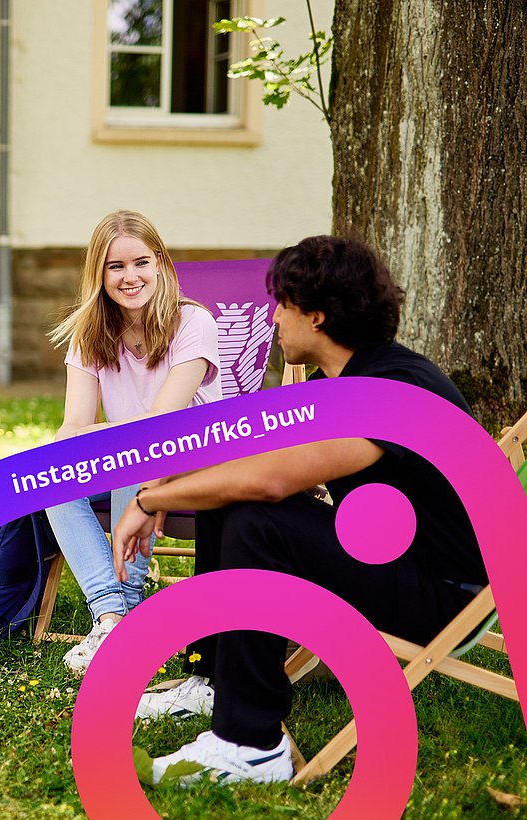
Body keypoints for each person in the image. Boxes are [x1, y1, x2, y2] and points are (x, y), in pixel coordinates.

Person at [113, 235, 486, 786]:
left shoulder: (388, 389)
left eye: (282, 304)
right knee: (227, 495)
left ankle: (251, 743)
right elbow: (242, 446)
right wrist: (160, 477)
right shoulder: (342, 379)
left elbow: (269, 479)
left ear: (316, 316)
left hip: (442, 596)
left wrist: (149, 500)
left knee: (256, 516)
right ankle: (215, 680)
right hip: (399, 562)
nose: (273, 318)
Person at [46, 210, 221, 676]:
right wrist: (60, 457)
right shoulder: (89, 333)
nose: (130, 277)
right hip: (131, 456)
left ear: (160, 262)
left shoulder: (192, 322)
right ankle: (111, 616)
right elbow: (73, 427)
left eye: (140, 262)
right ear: (98, 274)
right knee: (53, 476)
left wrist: (100, 442)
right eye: (115, 267)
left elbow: (163, 423)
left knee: (135, 453)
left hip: (195, 461)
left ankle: (120, 613)